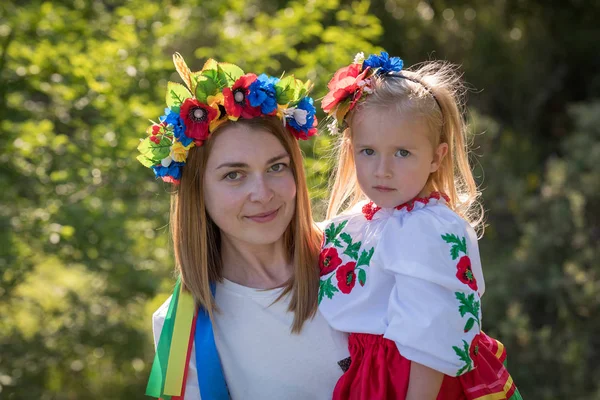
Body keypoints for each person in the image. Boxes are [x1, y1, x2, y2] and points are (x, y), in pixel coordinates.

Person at [138, 54, 349, 399]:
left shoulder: (361, 250)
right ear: (197, 191)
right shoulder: (182, 329)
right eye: (233, 175)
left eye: (276, 167)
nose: (262, 194)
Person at [317, 51, 523, 400]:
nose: (382, 169)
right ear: (351, 149)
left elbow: (434, 335)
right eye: (368, 151)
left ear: (436, 157)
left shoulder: (426, 229)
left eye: (402, 153)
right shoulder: (369, 219)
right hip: (373, 375)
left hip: (414, 382)